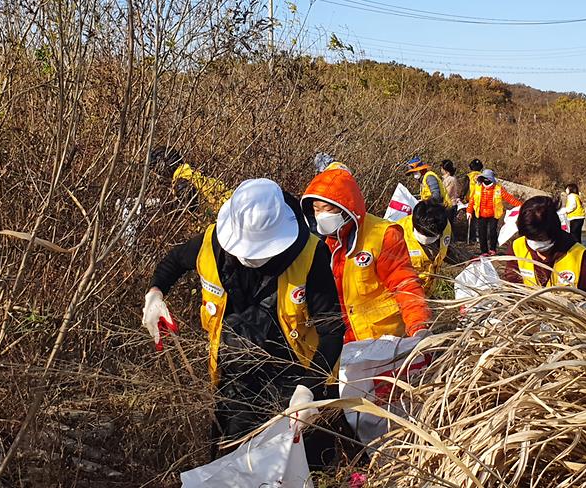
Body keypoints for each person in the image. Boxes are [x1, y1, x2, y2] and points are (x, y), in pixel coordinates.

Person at [142, 178, 346, 453]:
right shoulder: (212, 244)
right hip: (235, 374)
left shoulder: (310, 254)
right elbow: (173, 262)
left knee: (306, 458)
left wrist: (309, 389)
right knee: (234, 455)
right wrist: (155, 295)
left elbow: (332, 330)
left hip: (294, 374)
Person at [301, 168, 432, 343]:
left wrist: (418, 326)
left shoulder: (382, 235)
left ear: (346, 208)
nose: (321, 216)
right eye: (316, 209)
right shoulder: (319, 244)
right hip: (341, 343)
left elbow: (404, 283)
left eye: (327, 209)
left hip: (382, 341)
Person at [504, 195, 586, 294]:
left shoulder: (578, 256)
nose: (535, 243)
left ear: (554, 231)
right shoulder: (517, 247)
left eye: (540, 239)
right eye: (530, 238)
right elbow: (512, 284)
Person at [149, 145, 232, 213]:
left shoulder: (181, 180)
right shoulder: (189, 171)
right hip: (231, 206)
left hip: (223, 216)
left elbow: (190, 204)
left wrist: (165, 208)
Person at [397, 199, 452, 294]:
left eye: (431, 237)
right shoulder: (397, 235)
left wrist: (469, 259)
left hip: (428, 291)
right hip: (406, 294)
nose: (427, 241)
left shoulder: (444, 225)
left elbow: (447, 249)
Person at [466, 169, 522, 255]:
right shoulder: (478, 188)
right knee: (482, 233)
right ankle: (483, 251)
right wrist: (469, 211)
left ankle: (493, 249)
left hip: (494, 214)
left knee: (492, 231)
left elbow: (509, 198)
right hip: (480, 214)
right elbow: (472, 200)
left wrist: (521, 205)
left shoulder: (498, 189)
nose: (485, 181)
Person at [465, 159, 484, 243]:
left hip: (471, 200)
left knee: (471, 220)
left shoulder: (469, 176)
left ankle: (472, 238)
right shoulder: (484, 176)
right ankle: (479, 237)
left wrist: (461, 196)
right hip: (482, 200)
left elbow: (465, 188)